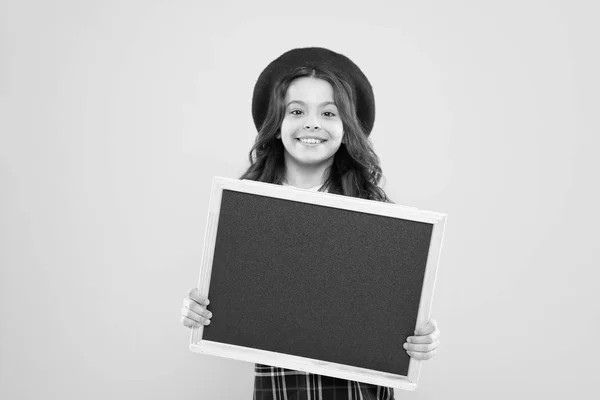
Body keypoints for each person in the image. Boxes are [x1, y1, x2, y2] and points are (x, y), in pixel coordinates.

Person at [180, 47, 441, 400]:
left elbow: (397, 315)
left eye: (329, 112)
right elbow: (230, 304)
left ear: (347, 127)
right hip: (282, 389)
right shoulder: (245, 213)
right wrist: (200, 311)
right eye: (297, 110)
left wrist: (422, 336)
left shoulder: (376, 216)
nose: (312, 123)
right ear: (277, 124)